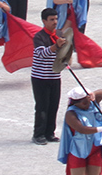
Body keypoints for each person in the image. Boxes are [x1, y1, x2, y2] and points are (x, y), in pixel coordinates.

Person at [58, 87, 102, 175]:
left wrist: (93, 94)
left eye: (88, 101)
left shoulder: (92, 105)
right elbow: (82, 129)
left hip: (95, 148)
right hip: (78, 150)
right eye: (84, 103)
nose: (87, 105)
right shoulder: (70, 114)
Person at [31, 8, 66, 145]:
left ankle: (50, 132)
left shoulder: (59, 34)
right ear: (44, 21)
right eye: (51, 20)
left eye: (56, 19)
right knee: (42, 107)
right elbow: (41, 54)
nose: (55, 22)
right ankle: (38, 134)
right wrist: (54, 47)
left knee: (53, 106)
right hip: (40, 77)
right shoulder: (39, 36)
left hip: (54, 76)